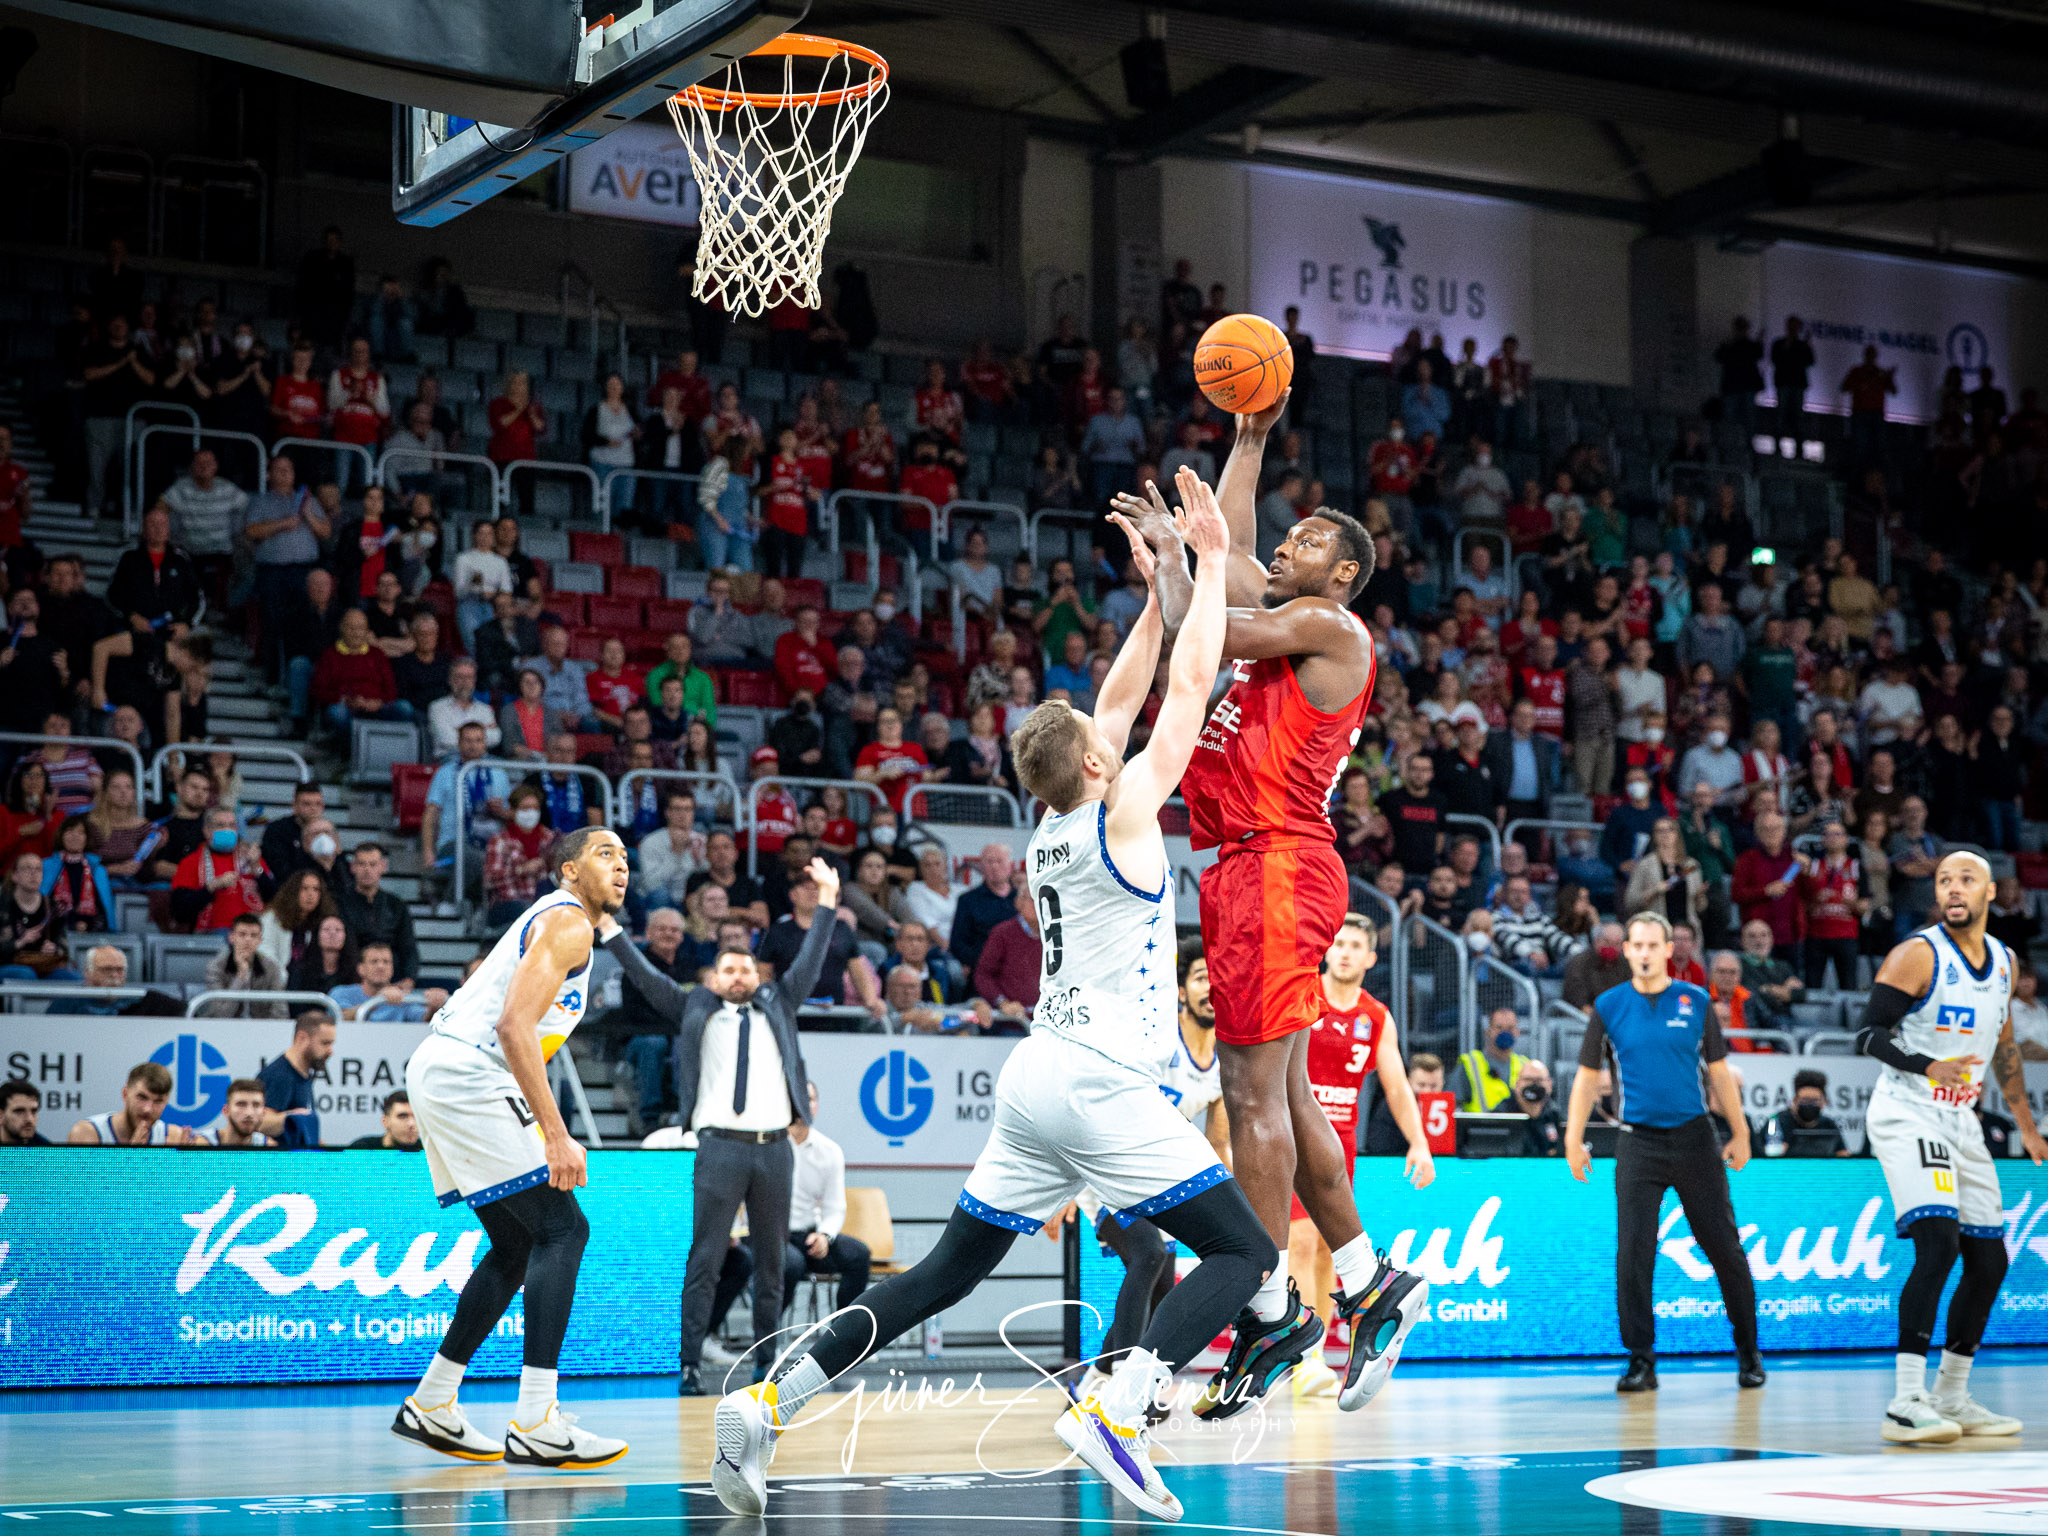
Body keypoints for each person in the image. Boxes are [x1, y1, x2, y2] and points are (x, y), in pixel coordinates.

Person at [706, 468, 1272, 1524]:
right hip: (1101, 1080)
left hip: (1035, 1078)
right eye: (1105, 736)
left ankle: (768, 1404)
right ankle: (1118, 1408)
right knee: (1244, 1252)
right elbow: (1185, 691)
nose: (1114, 730)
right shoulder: (1127, 813)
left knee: (944, 1270)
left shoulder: (1055, 824)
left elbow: (1117, 697)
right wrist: (1199, 557)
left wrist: (1155, 592)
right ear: (1099, 762)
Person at [1119, 428, 1425, 1427]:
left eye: (1301, 544)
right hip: (1249, 869)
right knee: (1285, 1100)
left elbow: (1204, 623)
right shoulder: (1286, 611)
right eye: (1280, 542)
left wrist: (1181, 563)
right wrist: (1246, 439)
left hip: (1278, 867)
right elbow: (1231, 553)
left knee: (1249, 1098)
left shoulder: (1333, 632)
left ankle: (1263, 1307)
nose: (1279, 548)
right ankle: (1367, 1285)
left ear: (1341, 572)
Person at [394, 827, 632, 1469]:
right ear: (566, 870)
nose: (621, 865)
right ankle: (535, 1420)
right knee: (564, 1230)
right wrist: (556, 1132)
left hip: (447, 1068)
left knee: (520, 1240)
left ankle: (433, 1402)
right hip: (471, 1071)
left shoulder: (564, 924)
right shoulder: (569, 923)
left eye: (625, 857)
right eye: (604, 854)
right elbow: (513, 1025)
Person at [596, 859, 839, 1399]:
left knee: (774, 1262)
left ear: (759, 977)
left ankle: (765, 1362)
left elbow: (813, 954)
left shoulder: (781, 1004)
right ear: (711, 979)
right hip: (720, 1148)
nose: (738, 977)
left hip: (775, 1148)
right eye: (728, 971)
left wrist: (826, 899)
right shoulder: (693, 1010)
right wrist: (610, 930)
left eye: (746, 970)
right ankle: (689, 1363)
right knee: (706, 1257)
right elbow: (645, 975)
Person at [1856, 850, 2046, 1442]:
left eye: (1966, 879)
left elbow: (2004, 1045)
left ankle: (1953, 1396)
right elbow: (1868, 1034)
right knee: (1938, 1244)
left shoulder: (2006, 963)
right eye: (1944, 881)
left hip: (1962, 1122)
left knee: (1990, 1260)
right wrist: (1928, 1065)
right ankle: (1905, 1401)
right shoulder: (1919, 953)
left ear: (1991, 892)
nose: (1953, 888)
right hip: (1908, 1110)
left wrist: (2027, 1123)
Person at [1565, 911, 1763, 1394]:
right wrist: (1573, 1138)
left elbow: (1719, 1072)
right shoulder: (1609, 1006)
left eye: (1656, 944)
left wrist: (1739, 1132)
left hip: (1695, 1139)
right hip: (1637, 1142)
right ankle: (1641, 1360)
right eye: (1639, 945)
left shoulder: (1695, 1000)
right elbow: (1588, 1077)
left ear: (1669, 950)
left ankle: (1749, 1351)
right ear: (1628, 950)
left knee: (1724, 1248)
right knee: (1633, 1254)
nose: (1647, 952)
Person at [1287, 915, 1431, 1398]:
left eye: (1355, 946)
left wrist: (1419, 1141)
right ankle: (1302, 1356)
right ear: (1327, 951)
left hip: (1340, 1141)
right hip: (1294, 1130)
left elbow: (1395, 1084)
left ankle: (1315, 1351)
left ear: (1370, 958)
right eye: (1339, 943)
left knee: (1331, 1245)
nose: (1345, 952)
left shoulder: (1375, 1016)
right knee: (1302, 1240)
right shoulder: (1305, 994)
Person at [781, 1080, 869, 1317]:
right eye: (798, 1098)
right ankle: (767, 1339)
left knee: (858, 1255)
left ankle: (844, 1335)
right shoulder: (771, 1145)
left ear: (816, 1105)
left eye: (810, 1099)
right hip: (772, 1236)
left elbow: (835, 1207)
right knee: (791, 1264)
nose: (805, 1104)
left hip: (808, 1235)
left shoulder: (829, 1151)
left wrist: (825, 1236)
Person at [256, 1010, 335, 1149]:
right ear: (302, 1038)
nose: (330, 1051)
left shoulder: (303, 1074)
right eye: (325, 1043)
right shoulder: (280, 1076)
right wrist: (294, 1117)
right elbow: (259, 1122)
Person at [68, 1061, 193, 1145]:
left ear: (166, 1102)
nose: (148, 1109)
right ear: (125, 1094)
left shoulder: (173, 1138)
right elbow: (85, 1184)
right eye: (142, 1098)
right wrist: (130, 1158)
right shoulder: (87, 1133)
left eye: (158, 1101)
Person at [200, 911, 288, 1017]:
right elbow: (220, 1014)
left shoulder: (271, 968)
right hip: (224, 1028)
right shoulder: (216, 967)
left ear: (260, 940)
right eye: (242, 934)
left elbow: (280, 1012)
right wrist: (240, 977)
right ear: (232, 937)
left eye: (253, 935)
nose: (247, 940)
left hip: (261, 1029)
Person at [1450, 1007, 1531, 1112]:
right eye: (1499, 1028)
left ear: (1518, 1032)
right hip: (1479, 1126)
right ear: (1488, 1031)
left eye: (1510, 1028)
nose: (1505, 1033)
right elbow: (1453, 1104)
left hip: (1517, 1127)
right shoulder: (1470, 1064)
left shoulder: (1526, 1066)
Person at [1760, 1067, 1849, 1158]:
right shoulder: (1778, 1123)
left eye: (1815, 1101)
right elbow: (1769, 1155)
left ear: (1824, 1102)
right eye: (1805, 1100)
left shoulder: (1829, 1125)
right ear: (1795, 1100)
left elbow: (1843, 1155)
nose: (1809, 1105)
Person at [193, 1078, 276, 1150]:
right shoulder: (202, 1144)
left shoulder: (268, 1147)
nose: (249, 1113)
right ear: (226, 1111)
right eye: (241, 1104)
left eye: (256, 1105)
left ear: (263, 1113)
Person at [348, 1090, 422, 1150]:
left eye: (416, 1117)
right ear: (385, 1121)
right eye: (402, 1116)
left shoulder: (429, 1151)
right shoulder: (361, 1150)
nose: (411, 1124)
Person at [1, 1079, 50, 1146]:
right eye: (19, 1111)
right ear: (1, 1116)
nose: (29, 1119)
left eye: (34, 1111)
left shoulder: (45, 1150)